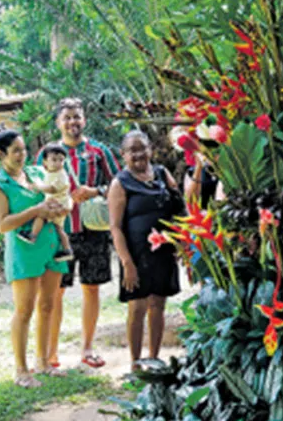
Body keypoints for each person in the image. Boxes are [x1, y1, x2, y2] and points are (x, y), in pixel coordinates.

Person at [37, 98, 120, 369]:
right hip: (59, 231)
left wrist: (95, 191)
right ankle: (51, 352)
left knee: (91, 288)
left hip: (93, 230)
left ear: (84, 120)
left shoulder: (99, 150)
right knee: (56, 292)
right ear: (58, 123)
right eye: (67, 117)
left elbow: (118, 183)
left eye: (77, 117)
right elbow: (36, 186)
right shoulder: (47, 153)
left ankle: (87, 348)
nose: (73, 122)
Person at [0, 129, 68, 388]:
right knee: (24, 310)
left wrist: (59, 206)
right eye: (16, 151)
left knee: (48, 305)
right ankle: (21, 370)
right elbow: (2, 225)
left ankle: (43, 362)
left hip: (51, 244)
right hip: (23, 250)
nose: (22, 155)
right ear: (1, 155)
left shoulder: (35, 173)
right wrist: (36, 210)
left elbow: (54, 195)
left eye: (24, 149)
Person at [108, 131, 182, 373]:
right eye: (132, 150)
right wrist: (127, 263)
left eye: (142, 148)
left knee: (158, 304)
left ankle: (155, 358)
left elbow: (178, 204)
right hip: (136, 254)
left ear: (151, 149)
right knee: (137, 307)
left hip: (163, 250)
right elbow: (116, 228)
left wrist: (182, 241)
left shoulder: (162, 173)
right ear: (123, 155)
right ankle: (136, 364)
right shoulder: (120, 183)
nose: (138, 154)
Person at [25, 142, 74, 262]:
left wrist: (38, 186)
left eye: (61, 160)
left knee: (40, 215)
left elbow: (52, 188)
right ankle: (67, 249)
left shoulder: (61, 175)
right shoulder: (50, 173)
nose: (58, 163)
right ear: (45, 162)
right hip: (59, 203)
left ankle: (32, 235)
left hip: (58, 204)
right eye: (54, 160)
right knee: (58, 228)